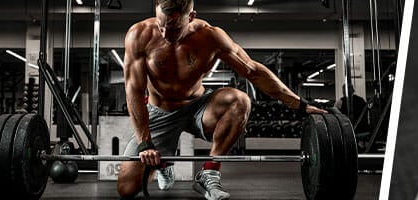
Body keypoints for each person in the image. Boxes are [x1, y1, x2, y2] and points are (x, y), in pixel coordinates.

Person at [119, 0, 328, 199]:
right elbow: (134, 91)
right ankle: (164, 164)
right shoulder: (139, 35)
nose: (165, 33)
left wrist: (299, 104)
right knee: (127, 189)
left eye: (174, 28)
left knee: (240, 101)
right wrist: (145, 142)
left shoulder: (211, 37)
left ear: (190, 17)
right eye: (161, 24)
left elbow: (253, 71)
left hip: (197, 107)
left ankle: (209, 173)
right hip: (159, 111)